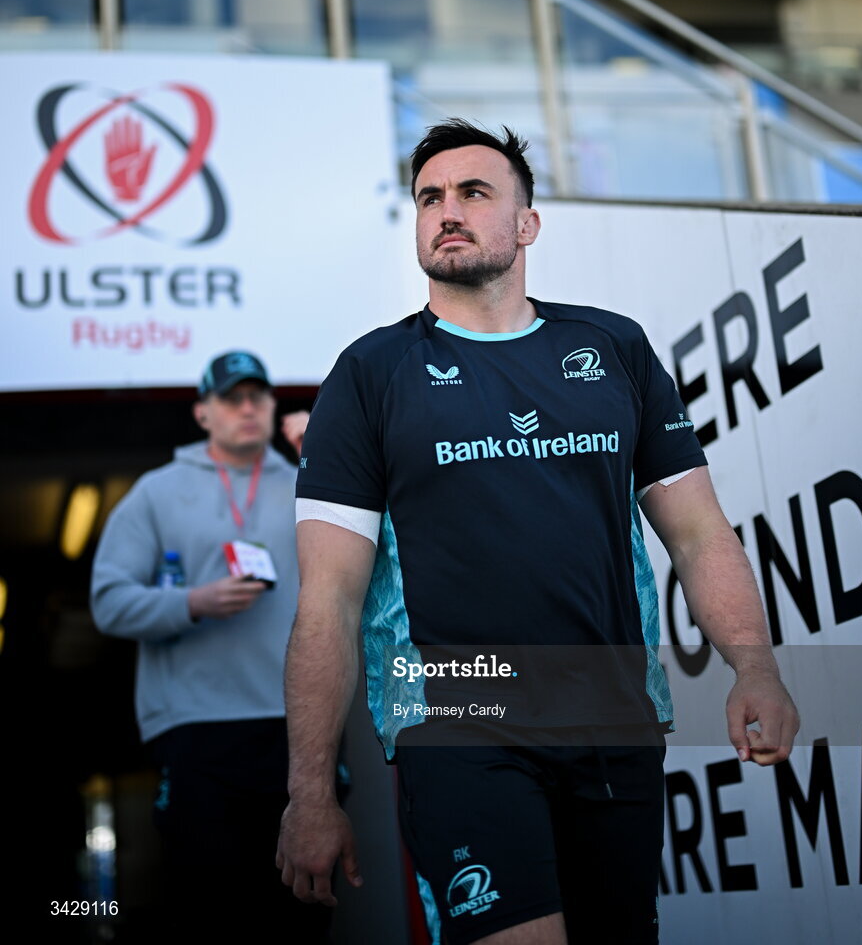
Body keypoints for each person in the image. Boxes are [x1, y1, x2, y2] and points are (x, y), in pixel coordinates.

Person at [274, 120, 799, 944]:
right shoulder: (368, 375)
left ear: (526, 223)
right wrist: (310, 791)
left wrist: (754, 666)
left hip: (611, 715)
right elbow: (328, 602)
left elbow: (697, 533)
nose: (446, 211)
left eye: (473, 193)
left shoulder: (611, 346)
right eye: (429, 198)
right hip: (455, 715)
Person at [90, 350, 328, 944]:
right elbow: (108, 602)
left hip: (298, 725)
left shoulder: (311, 478)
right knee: (210, 907)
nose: (247, 408)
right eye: (231, 398)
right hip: (196, 728)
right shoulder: (156, 493)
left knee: (299, 912)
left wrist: (328, 455)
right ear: (202, 413)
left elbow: (389, 556)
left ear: (274, 406)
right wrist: (191, 604)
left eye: (258, 396)